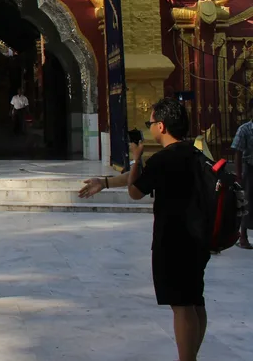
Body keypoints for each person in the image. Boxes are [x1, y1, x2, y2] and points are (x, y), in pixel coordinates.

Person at [79, 98, 209, 361]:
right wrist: (104, 182)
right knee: (195, 300)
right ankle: (192, 354)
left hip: (173, 238)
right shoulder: (196, 153)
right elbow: (142, 178)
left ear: (161, 126)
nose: (149, 127)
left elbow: (135, 190)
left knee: (181, 305)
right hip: (198, 237)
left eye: (150, 122)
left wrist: (136, 158)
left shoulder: (162, 159)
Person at [231, 98, 253, 250]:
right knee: (246, 202)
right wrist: (238, 175)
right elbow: (237, 152)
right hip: (249, 170)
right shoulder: (245, 129)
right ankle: (243, 237)